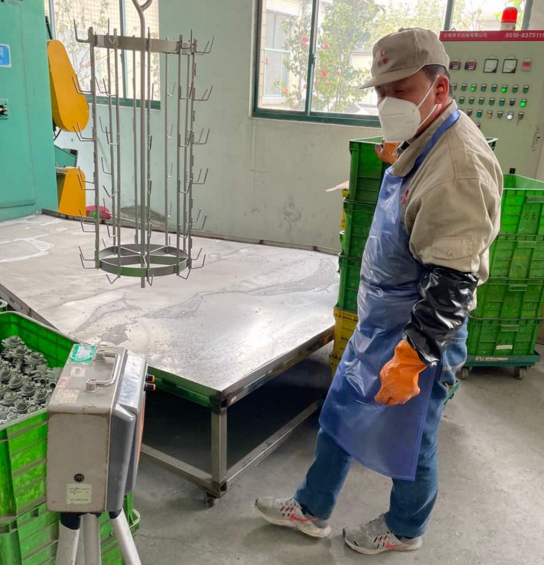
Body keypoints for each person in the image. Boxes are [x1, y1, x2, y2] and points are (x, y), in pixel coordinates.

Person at [255, 28, 503, 555]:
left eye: (402, 90)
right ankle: (313, 509)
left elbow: (454, 280)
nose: (389, 102)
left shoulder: (457, 168)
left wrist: (412, 358)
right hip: (380, 324)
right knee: (340, 412)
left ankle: (406, 530)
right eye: (381, 92)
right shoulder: (426, 137)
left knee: (411, 443)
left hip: (417, 334)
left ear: (439, 87)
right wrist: (402, 157)